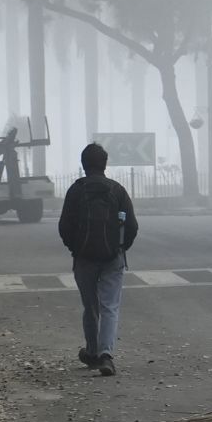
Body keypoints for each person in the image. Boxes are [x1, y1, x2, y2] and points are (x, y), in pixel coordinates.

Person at [57, 143, 138, 377]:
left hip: (84, 259)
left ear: (83, 165)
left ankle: (92, 352)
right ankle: (105, 355)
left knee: (90, 306)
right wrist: (120, 248)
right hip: (113, 257)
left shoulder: (76, 190)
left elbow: (64, 227)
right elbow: (132, 226)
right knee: (110, 307)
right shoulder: (117, 190)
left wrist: (76, 248)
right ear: (105, 164)